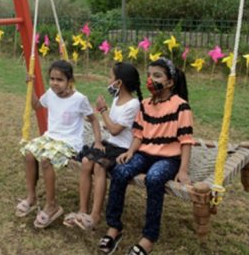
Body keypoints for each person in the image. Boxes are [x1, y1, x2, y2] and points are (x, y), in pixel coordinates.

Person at [99, 58, 193, 255]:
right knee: (120, 171)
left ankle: (149, 237)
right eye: (149, 75)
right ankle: (114, 227)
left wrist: (183, 170)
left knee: (154, 178)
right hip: (144, 153)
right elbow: (139, 134)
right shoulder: (145, 104)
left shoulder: (181, 106)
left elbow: (185, 140)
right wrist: (130, 151)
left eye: (157, 76)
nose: (151, 80)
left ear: (170, 82)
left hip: (168, 159)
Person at [15, 60, 99, 229]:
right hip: (51, 137)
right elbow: (38, 106)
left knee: (46, 159)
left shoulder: (79, 99)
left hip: (69, 142)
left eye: (59, 80)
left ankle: (51, 205)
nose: (54, 83)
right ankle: (31, 197)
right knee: (29, 153)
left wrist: (97, 141)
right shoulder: (50, 94)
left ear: (70, 81)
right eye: (52, 79)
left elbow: (93, 119)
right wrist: (30, 88)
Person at [65, 62, 142, 231]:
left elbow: (115, 130)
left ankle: (95, 215)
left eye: (110, 77)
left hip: (122, 149)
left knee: (99, 167)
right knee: (86, 161)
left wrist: (103, 110)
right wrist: (95, 115)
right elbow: (109, 125)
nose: (108, 81)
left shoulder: (134, 104)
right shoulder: (116, 99)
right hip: (110, 144)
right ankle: (82, 210)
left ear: (119, 83)